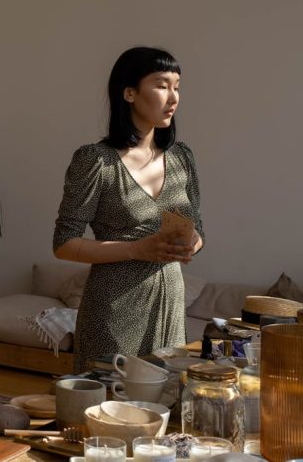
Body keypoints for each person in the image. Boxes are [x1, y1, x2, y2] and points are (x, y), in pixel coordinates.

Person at [53, 46, 205, 373]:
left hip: (169, 303)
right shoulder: (95, 161)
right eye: (162, 85)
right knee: (108, 407)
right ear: (130, 92)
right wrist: (137, 249)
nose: (174, 97)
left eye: (177, 86)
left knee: (163, 405)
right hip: (114, 307)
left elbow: (200, 229)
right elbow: (64, 244)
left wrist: (192, 243)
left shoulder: (182, 158)